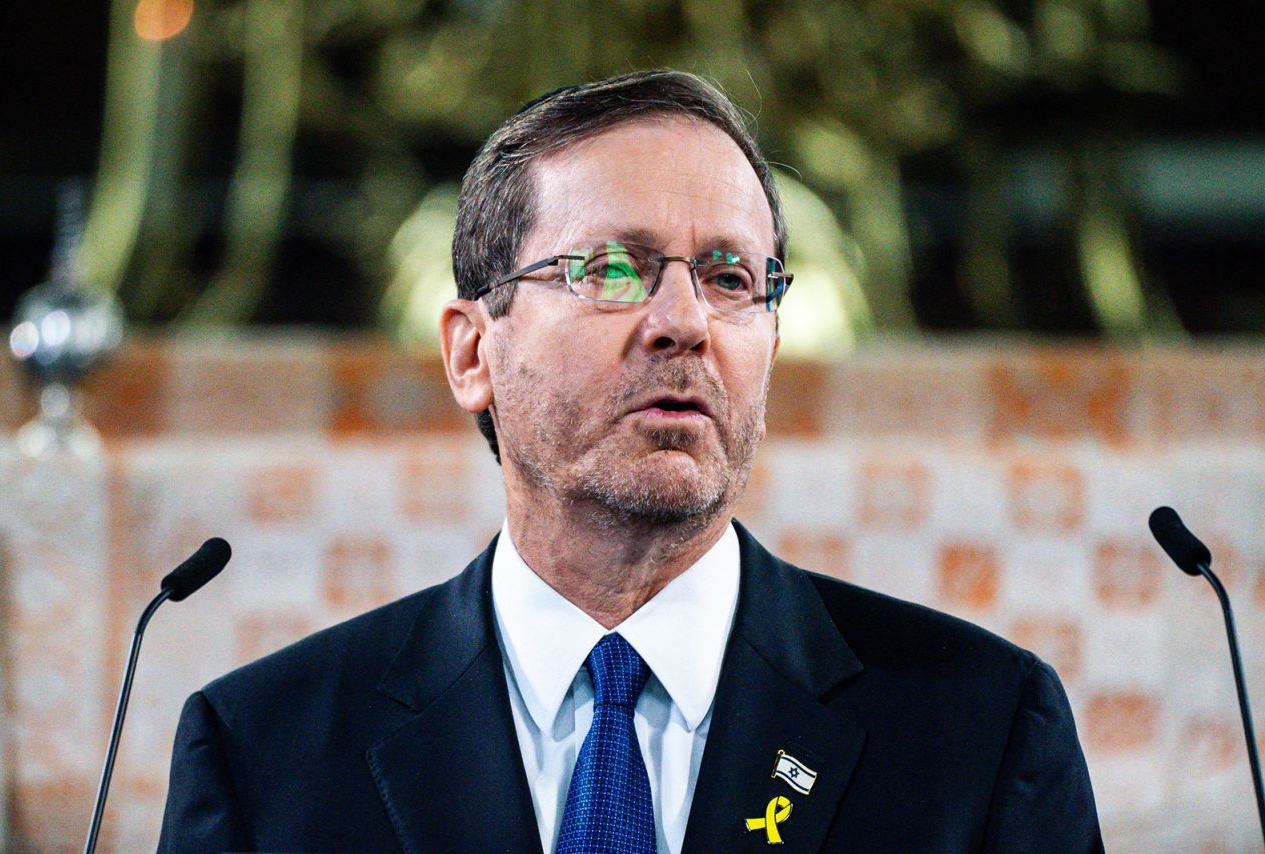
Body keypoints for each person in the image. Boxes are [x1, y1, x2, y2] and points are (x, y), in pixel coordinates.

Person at [158, 70, 1102, 853]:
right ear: (472, 353)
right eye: (611, 269)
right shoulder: (265, 751)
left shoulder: (976, 729)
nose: (686, 323)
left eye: (732, 278)